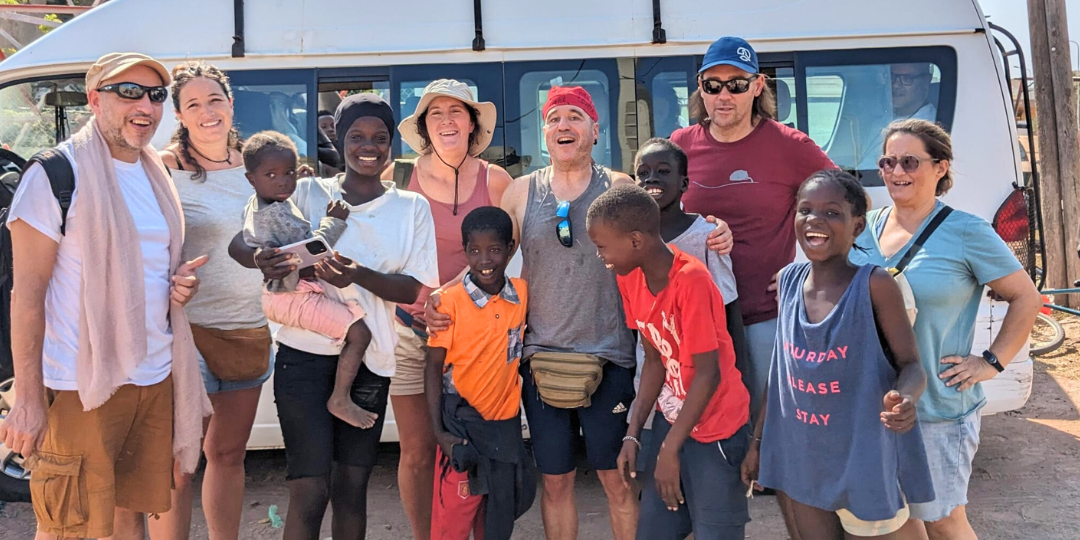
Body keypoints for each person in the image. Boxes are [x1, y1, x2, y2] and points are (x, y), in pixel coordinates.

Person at [426, 86, 732, 540]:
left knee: (616, 479)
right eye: (554, 119)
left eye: (575, 117)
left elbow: (659, 238)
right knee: (556, 482)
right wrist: (440, 297)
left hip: (610, 358)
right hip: (541, 360)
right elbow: (486, 257)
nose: (563, 126)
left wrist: (712, 229)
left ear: (594, 130)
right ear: (544, 134)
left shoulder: (620, 187)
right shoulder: (521, 191)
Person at [0, 52, 211, 539]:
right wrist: (28, 399)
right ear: (95, 100)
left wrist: (178, 286)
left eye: (156, 95)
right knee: (70, 524)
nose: (146, 106)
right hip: (81, 384)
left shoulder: (155, 173)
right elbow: (27, 296)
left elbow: (153, 268)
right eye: (129, 92)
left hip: (153, 375)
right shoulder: (56, 174)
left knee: (128, 515)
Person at [229, 93, 439, 540]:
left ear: (390, 145)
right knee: (309, 490)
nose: (370, 146)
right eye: (357, 136)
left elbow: (413, 288)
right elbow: (240, 243)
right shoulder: (304, 190)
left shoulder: (411, 208)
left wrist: (357, 275)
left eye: (380, 138)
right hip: (302, 358)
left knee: (351, 489)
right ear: (338, 140)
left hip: (371, 362)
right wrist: (260, 258)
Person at [851, 119, 1040, 540]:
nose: (896, 172)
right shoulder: (866, 228)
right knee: (899, 518)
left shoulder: (966, 231)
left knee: (942, 519)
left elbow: (1026, 297)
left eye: (910, 161)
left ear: (940, 167)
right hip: (878, 408)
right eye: (888, 161)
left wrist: (991, 362)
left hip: (938, 409)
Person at [741, 170, 935, 540]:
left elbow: (911, 365)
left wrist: (906, 398)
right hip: (802, 457)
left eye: (832, 212)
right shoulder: (788, 282)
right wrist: (758, 442)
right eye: (805, 210)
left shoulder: (875, 285)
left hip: (862, 458)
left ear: (857, 225)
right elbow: (781, 376)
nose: (815, 220)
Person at [674, 36, 836, 421]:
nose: (723, 95)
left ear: (758, 86)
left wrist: (812, 270)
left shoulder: (790, 145)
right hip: (697, 318)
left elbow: (845, 206)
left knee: (771, 425)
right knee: (710, 424)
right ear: (700, 88)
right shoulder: (680, 145)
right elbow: (657, 216)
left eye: (737, 84)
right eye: (713, 85)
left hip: (765, 316)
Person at [587, 184, 751, 540]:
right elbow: (655, 360)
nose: (599, 255)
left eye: (602, 246)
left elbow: (708, 373)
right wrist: (633, 433)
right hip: (674, 419)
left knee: (715, 531)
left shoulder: (691, 281)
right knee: (655, 531)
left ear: (634, 241)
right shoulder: (629, 277)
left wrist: (669, 449)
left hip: (715, 428)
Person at [387, 78, 513, 540]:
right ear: (423, 126)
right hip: (411, 330)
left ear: (472, 122)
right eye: (435, 113)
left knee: (476, 446)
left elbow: (519, 247)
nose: (446, 121)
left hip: (476, 340)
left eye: (456, 111)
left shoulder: (497, 181)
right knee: (418, 450)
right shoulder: (399, 178)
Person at [156, 60, 272, 540]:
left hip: (248, 327)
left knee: (228, 454)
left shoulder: (258, 167)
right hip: (185, 331)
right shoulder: (163, 169)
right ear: (180, 115)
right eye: (193, 104)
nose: (207, 112)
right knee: (179, 461)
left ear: (230, 104)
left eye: (215, 100)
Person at [240, 130, 376, 429]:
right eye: (272, 174)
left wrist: (295, 177)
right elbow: (311, 249)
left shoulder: (263, 200)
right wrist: (335, 220)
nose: (283, 181)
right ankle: (339, 398)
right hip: (293, 296)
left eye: (289, 172)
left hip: (289, 295)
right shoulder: (273, 215)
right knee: (360, 334)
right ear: (252, 179)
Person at [630, 138, 744, 487]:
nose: (652, 179)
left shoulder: (707, 237)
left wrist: (742, 379)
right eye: (643, 173)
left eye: (664, 172)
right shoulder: (632, 241)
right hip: (655, 389)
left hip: (707, 393)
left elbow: (729, 315)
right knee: (662, 487)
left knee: (704, 487)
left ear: (684, 183)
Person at [425, 206, 534, 540]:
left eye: (495, 250)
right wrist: (440, 433)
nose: (484, 260)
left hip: (504, 428)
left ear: (511, 248)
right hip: (462, 427)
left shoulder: (522, 295)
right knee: (453, 522)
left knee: (499, 519)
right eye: (474, 250)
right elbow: (432, 367)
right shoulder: (449, 303)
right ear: (465, 251)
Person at [856, 63, 938, 170]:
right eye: (893, 77)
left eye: (907, 78)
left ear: (926, 82)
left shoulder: (932, 128)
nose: (895, 85)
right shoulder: (878, 122)